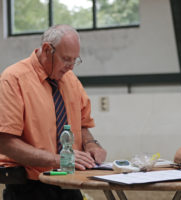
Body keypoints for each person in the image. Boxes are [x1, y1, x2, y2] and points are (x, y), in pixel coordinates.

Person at [0, 24, 107, 200]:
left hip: (70, 182)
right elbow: (5, 143)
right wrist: (56, 160)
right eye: (66, 59)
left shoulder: (70, 80)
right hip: (28, 189)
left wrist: (91, 144)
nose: (71, 67)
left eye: (75, 60)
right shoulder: (13, 80)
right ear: (47, 49)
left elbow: (82, 125)